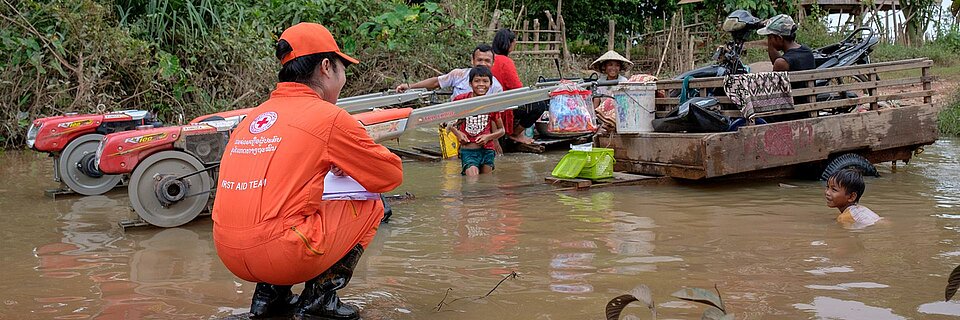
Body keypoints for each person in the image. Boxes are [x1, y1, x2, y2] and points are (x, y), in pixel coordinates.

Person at [211, 22, 403, 320]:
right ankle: (319, 300)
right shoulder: (329, 117)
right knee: (373, 205)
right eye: (343, 69)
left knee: (283, 201)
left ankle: (268, 299)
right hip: (282, 254)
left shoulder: (253, 117)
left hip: (227, 251)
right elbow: (390, 176)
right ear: (326, 67)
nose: (343, 79)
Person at [447, 66, 505, 176]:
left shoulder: (491, 104)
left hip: (488, 150)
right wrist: (458, 133)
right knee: (472, 178)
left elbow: (502, 130)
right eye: (477, 81)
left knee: (486, 182)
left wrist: (488, 137)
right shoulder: (461, 100)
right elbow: (447, 123)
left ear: (491, 84)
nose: (481, 84)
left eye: (485, 81)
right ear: (470, 83)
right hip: (468, 150)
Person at [491, 28, 545, 144]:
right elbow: (517, 89)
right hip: (503, 106)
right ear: (509, 44)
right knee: (539, 105)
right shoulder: (505, 61)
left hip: (492, 102)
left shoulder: (490, 58)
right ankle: (515, 134)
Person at [395, 44, 503, 98]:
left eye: (487, 61)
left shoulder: (497, 87)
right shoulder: (459, 75)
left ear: (493, 63)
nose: (483, 64)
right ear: (472, 61)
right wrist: (410, 86)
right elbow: (436, 82)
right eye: (479, 60)